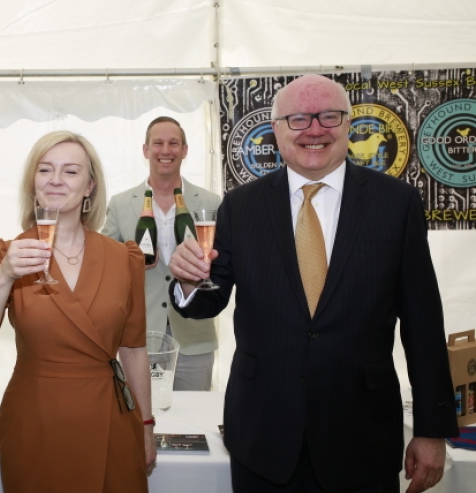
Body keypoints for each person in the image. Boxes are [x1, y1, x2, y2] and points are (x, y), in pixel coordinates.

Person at [168, 74, 458, 493]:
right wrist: (187, 280)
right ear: (277, 129)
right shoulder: (240, 206)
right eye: (299, 118)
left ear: (348, 125)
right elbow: (206, 302)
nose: (315, 130)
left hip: (362, 437)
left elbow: (423, 323)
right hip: (262, 436)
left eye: (329, 116)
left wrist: (433, 429)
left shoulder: (397, 204)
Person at [0, 131, 156, 492]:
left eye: (70, 171)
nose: (55, 180)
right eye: (45, 170)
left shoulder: (122, 258)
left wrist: (145, 425)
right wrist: (5, 274)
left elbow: (133, 350)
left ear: (89, 187)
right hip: (36, 419)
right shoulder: (6, 253)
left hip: (110, 417)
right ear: (32, 182)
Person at [103, 117, 220, 390]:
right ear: (146, 150)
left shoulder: (211, 202)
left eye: (173, 143)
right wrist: (131, 264)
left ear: (185, 150)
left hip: (195, 339)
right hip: (139, 337)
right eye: (158, 143)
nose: (165, 151)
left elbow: (224, 264)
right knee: (142, 420)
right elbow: (102, 266)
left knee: (194, 421)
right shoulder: (120, 204)